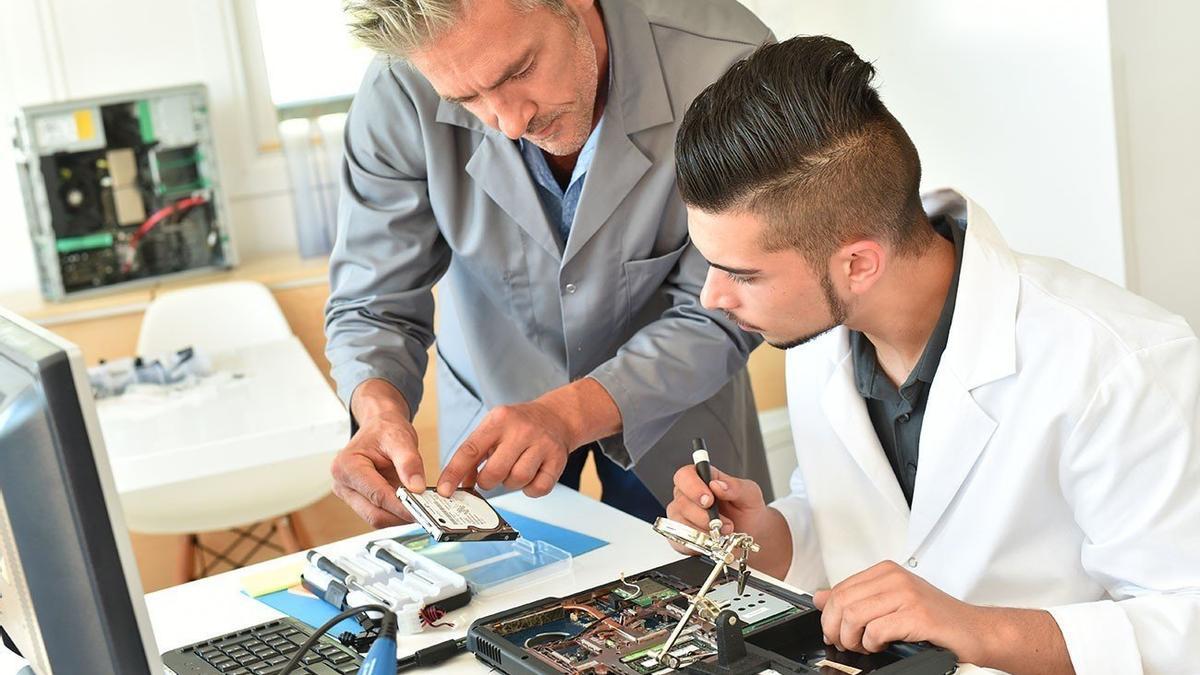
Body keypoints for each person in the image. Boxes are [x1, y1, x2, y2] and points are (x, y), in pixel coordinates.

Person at [666, 35, 1200, 674]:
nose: (710, 296)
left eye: (741, 274)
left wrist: (969, 627)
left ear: (858, 263)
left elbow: (1184, 622)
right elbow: (857, 519)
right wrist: (771, 537)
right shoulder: (820, 331)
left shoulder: (1120, 364)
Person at [324, 0, 775, 526]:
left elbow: (733, 302)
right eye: (467, 99)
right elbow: (372, 301)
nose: (511, 125)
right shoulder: (401, 85)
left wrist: (569, 412)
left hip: (674, 407)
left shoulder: (730, 64)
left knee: (699, 593)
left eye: (519, 70)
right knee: (500, 599)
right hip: (490, 418)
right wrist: (376, 413)